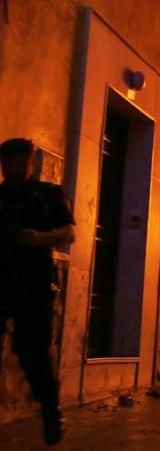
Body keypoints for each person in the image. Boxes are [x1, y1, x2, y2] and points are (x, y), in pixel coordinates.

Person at [0, 138, 75, 445]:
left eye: (20, 164)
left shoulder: (48, 195)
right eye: (9, 164)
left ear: (31, 163)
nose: (15, 170)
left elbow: (68, 233)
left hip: (32, 283)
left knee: (32, 353)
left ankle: (50, 411)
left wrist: (41, 237)